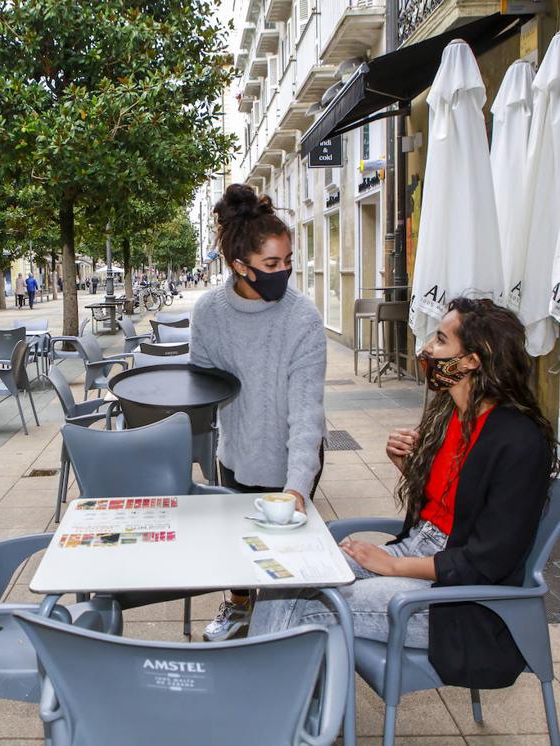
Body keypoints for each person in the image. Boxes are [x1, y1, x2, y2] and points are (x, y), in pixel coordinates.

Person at [250, 297, 556, 688]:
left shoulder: (519, 440)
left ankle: (263, 709)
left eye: (441, 340)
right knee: (289, 581)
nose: (427, 348)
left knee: (319, 609)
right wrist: (410, 469)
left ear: (472, 361)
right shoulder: (451, 415)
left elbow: (487, 560)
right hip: (423, 550)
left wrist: (390, 565)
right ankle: (272, 709)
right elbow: (449, 507)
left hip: (464, 600)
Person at [190, 184, 326, 641]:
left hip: (291, 458)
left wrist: (296, 487)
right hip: (236, 454)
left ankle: (282, 634)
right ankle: (238, 608)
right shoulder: (208, 313)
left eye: (287, 261)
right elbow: (202, 389)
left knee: (283, 562)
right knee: (238, 554)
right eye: (271, 264)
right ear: (239, 266)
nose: (282, 272)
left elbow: (308, 412)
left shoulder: (302, 317)